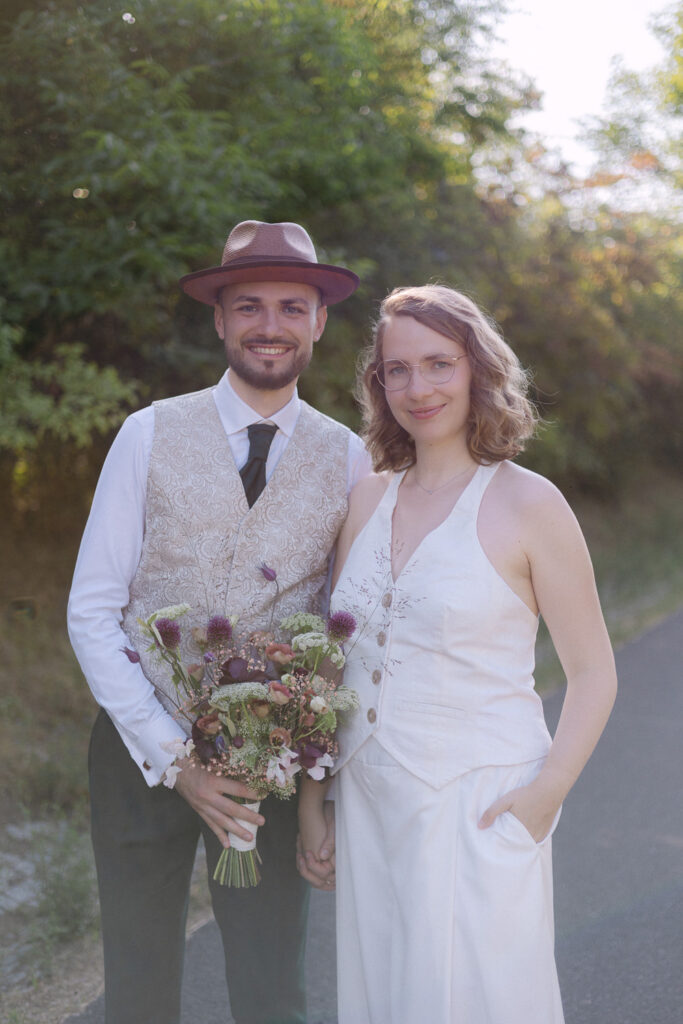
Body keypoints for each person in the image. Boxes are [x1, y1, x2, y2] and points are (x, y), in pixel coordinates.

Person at [67, 220, 370, 1024]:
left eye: (289, 307)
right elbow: (93, 607)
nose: (269, 325)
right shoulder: (147, 433)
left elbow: (348, 626)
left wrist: (318, 785)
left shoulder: (351, 458)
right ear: (219, 319)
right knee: (136, 985)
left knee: (273, 986)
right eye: (249, 306)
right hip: (138, 747)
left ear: (318, 322)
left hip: (268, 760)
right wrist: (173, 758)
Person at [298, 284, 617, 1023]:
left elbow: (594, 672)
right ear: (379, 385)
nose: (418, 387)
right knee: (385, 1001)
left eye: (438, 363)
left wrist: (544, 798)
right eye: (396, 370)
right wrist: (317, 803)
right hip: (371, 807)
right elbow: (332, 663)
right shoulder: (366, 500)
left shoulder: (530, 504)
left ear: (476, 368)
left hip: (478, 808)